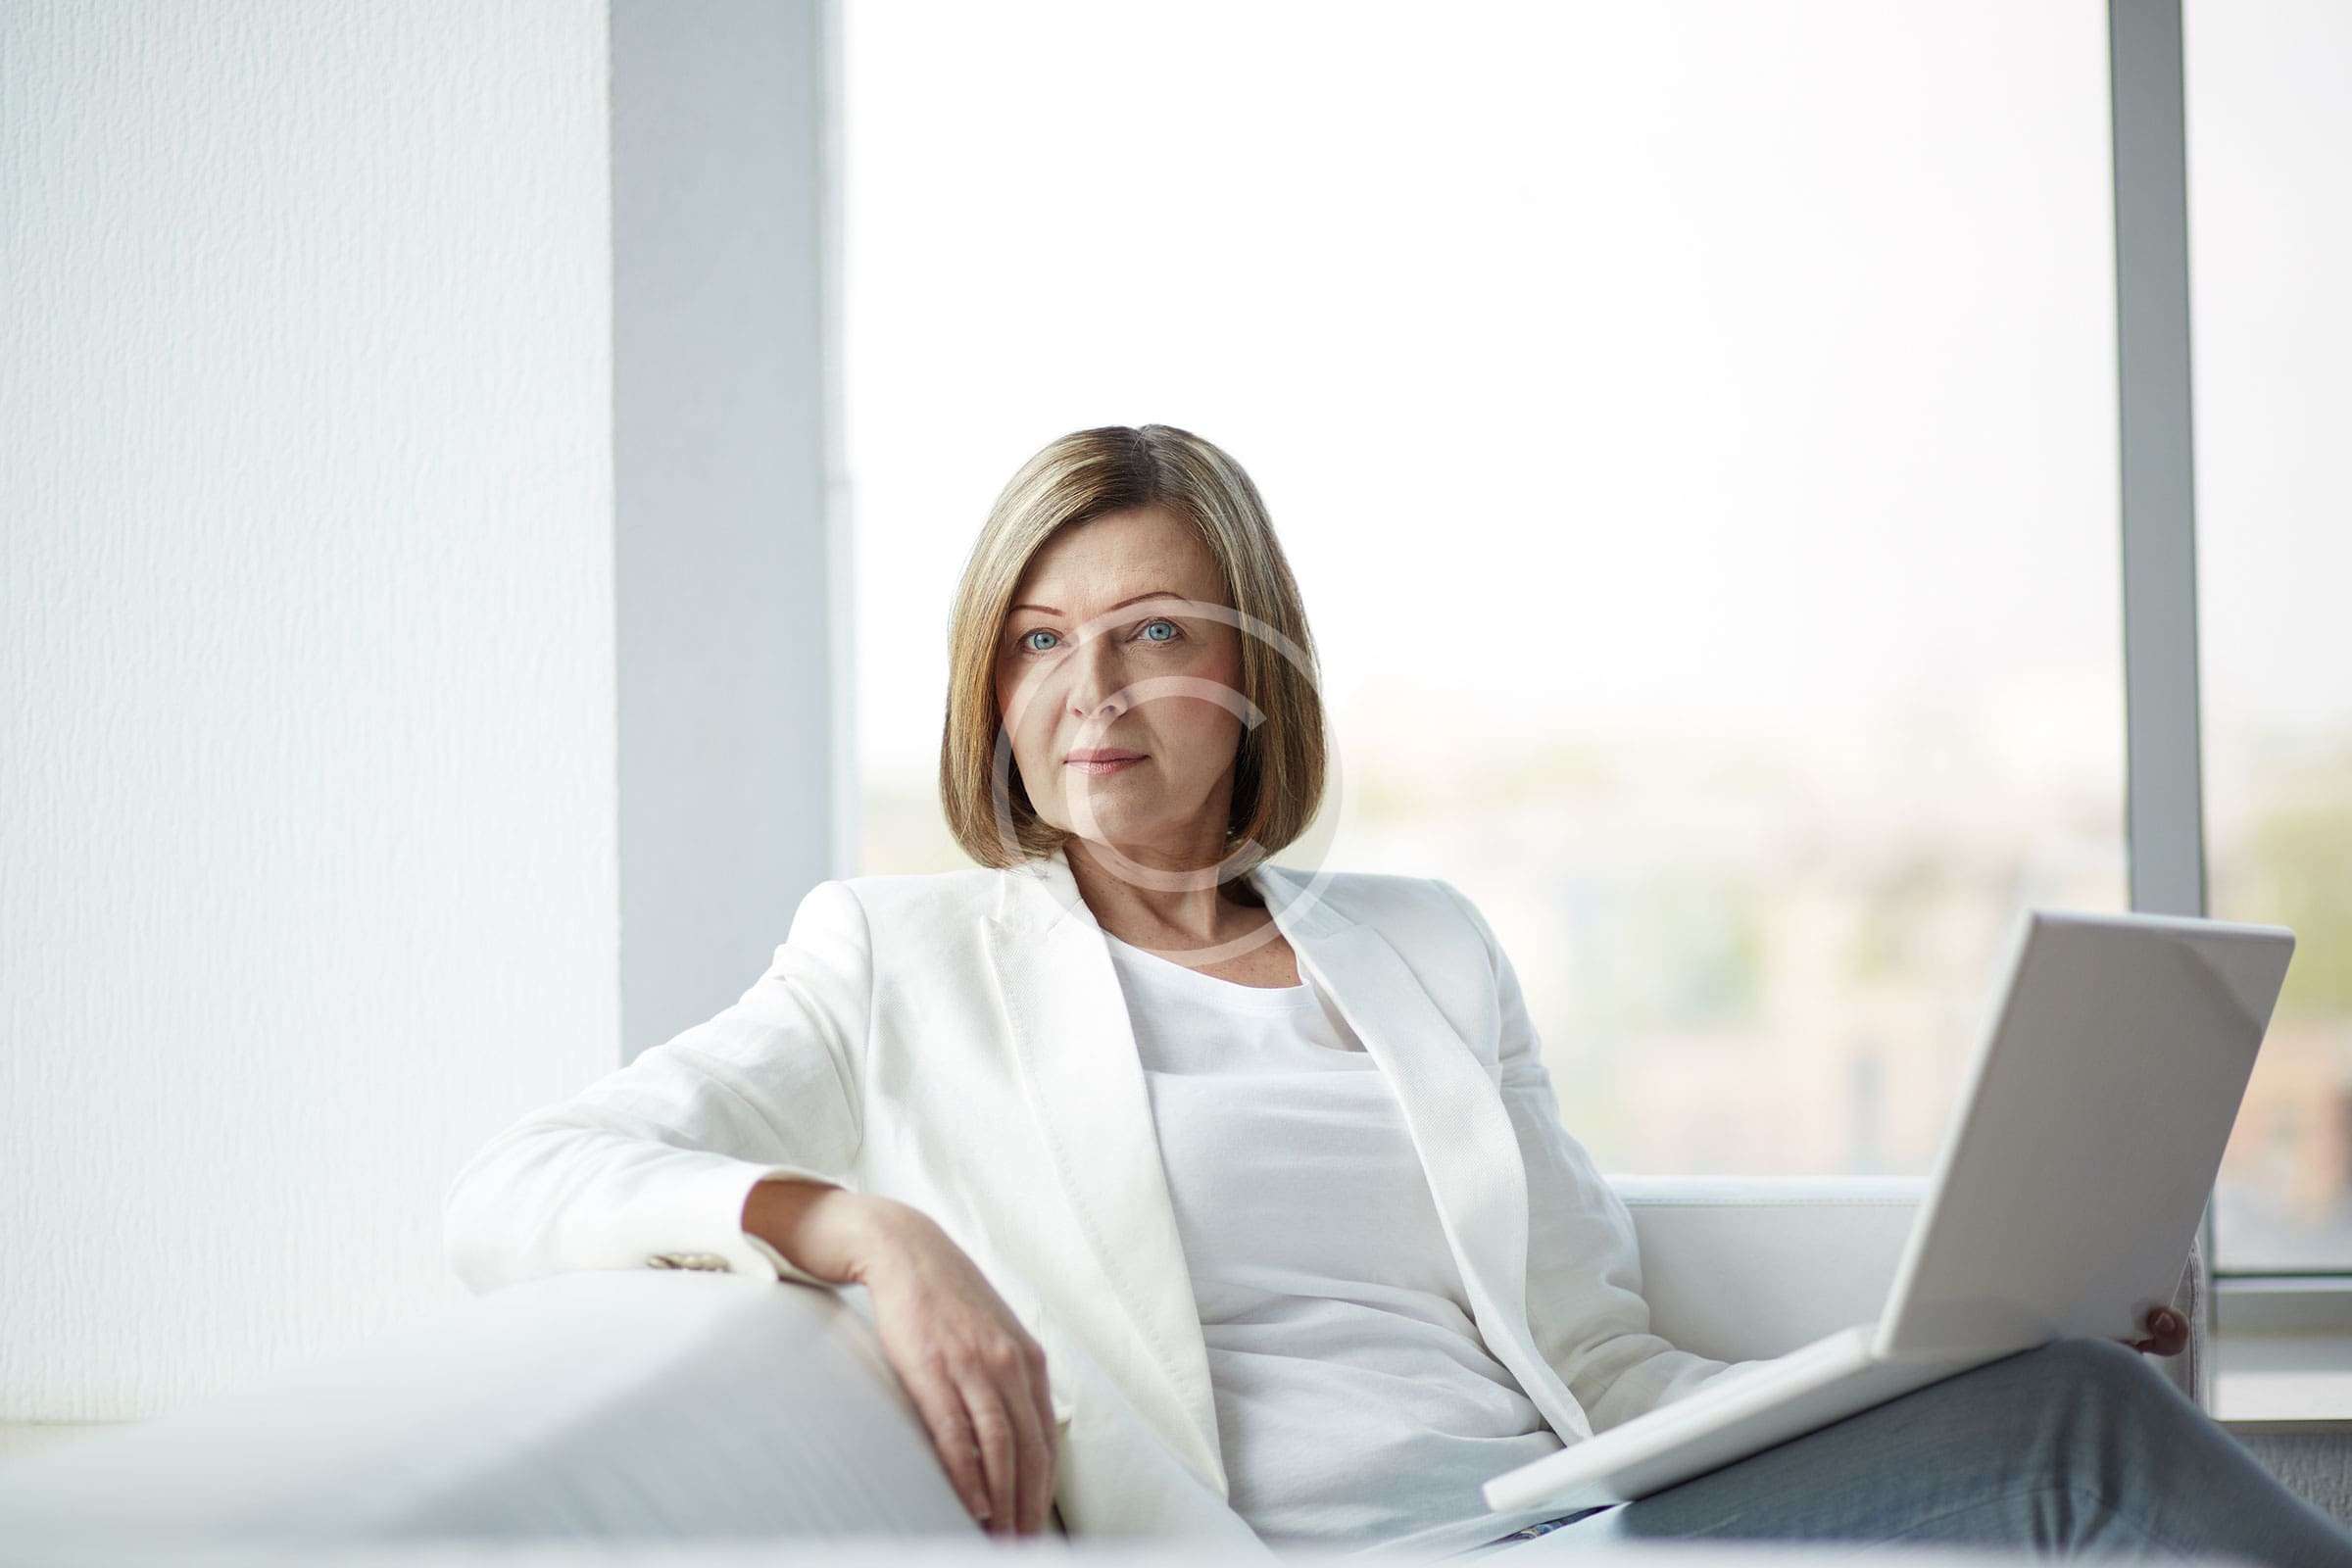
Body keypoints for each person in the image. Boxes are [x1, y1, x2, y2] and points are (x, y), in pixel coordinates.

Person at [445, 424, 2352, 1564]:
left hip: (1572, 1513)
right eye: (1037, 641)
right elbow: (522, 1182)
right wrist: (867, 1227)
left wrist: (1955, 1349)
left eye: (1153, 631)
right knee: (2083, 1452)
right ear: (990, 686)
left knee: (2072, 1402)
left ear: (1252, 675)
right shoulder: (896, 957)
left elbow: (1607, 1362)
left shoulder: (1425, 943)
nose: (1087, 692)